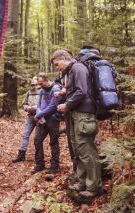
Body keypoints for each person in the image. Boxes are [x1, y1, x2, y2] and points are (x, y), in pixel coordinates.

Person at [53, 49, 104, 200]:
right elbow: (75, 90)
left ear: (63, 58)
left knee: (87, 151)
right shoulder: (72, 70)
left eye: (57, 64)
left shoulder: (78, 68)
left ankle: (95, 187)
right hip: (76, 114)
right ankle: (83, 181)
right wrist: (64, 94)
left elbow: (82, 91)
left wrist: (67, 105)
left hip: (84, 115)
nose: (57, 68)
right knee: (78, 149)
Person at [32, 73, 61, 174]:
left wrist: (40, 114)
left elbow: (53, 106)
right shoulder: (42, 91)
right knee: (37, 140)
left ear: (46, 80)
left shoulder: (56, 88)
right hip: (42, 119)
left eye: (41, 83)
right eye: (38, 83)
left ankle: (54, 166)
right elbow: (39, 104)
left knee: (53, 142)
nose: (40, 85)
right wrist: (38, 114)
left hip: (53, 119)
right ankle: (40, 164)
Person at [11, 77, 40, 163]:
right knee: (25, 135)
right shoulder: (28, 93)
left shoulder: (42, 92)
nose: (33, 86)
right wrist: (26, 107)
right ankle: (21, 154)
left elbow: (45, 104)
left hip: (39, 117)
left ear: (38, 84)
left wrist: (36, 108)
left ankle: (38, 157)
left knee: (38, 138)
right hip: (30, 117)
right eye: (32, 85)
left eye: (34, 85)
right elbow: (24, 104)